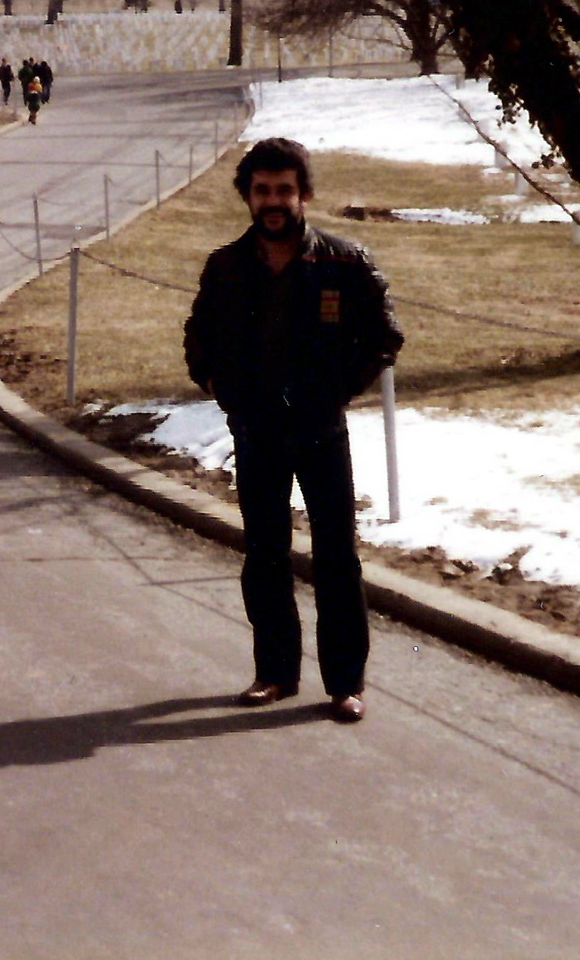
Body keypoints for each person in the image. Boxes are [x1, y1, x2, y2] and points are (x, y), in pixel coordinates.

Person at [183, 138, 403, 724]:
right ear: (248, 196)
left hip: (321, 434)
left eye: (284, 190)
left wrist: (335, 392)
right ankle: (275, 673)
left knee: (336, 558)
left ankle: (345, 683)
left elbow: (386, 336)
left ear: (303, 194)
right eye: (262, 191)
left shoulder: (344, 262)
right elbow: (197, 337)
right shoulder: (225, 266)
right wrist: (223, 390)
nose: (273, 201)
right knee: (265, 555)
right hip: (256, 435)